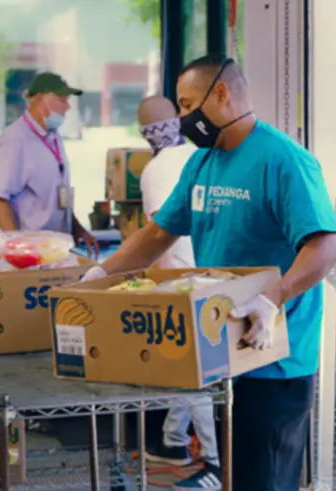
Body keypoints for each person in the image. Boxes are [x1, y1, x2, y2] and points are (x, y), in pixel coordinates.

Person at [82, 54, 336, 491]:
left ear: (220, 94)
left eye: (187, 106)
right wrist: (100, 274)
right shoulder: (202, 163)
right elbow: (159, 232)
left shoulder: (283, 160)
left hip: (275, 357)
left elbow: (327, 244)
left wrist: (271, 299)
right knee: (238, 479)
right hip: (224, 352)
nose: (183, 118)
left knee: (265, 480)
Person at [137, 95, 222, 490]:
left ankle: (217, 461)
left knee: (194, 371)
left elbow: (159, 232)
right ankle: (172, 442)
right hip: (212, 268)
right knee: (190, 365)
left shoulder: (154, 170)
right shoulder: (199, 156)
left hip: (181, 278)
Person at [0, 72, 98, 258]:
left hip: (54, 250)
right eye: (62, 100)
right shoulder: (15, 139)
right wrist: (16, 247)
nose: (68, 106)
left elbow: (57, 195)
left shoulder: (53, 136)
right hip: (29, 254)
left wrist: (78, 229)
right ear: (39, 98)